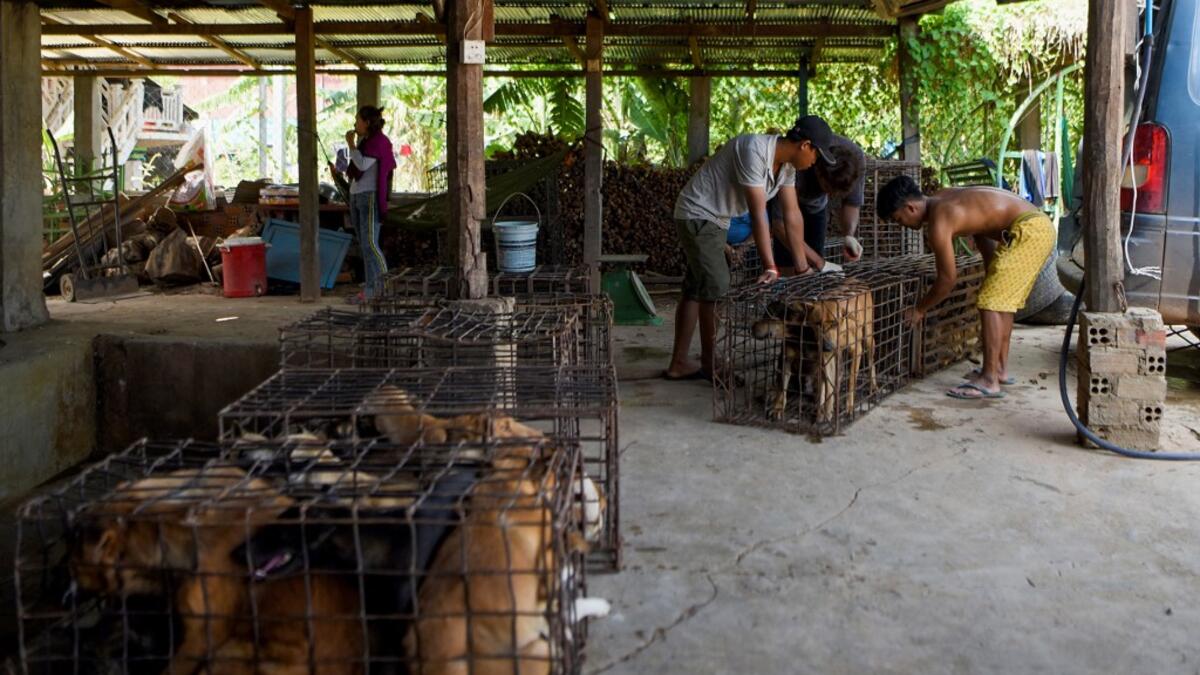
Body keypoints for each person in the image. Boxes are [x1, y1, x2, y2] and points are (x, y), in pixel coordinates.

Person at [663, 115, 843, 381]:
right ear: (805, 145)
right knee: (716, 289)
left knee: (696, 289)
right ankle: (712, 366)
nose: (815, 162)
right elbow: (760, 214)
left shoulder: (787, 168)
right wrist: (770, 266)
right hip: (699, 214)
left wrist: (802, 267)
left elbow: (792, 216)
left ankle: (679, 363)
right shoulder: (754, 150)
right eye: (817, 155)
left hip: (716, 218)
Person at [876, 175, 1055, 400]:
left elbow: (947, 280)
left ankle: (989, 380)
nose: (901, 225)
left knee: (990, 301)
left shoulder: (938, 223)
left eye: (898, 219)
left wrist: (920, 309)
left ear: (910, 207)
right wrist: (992, 269)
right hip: (1035, 225)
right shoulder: (945, 195)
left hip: (1029, 231)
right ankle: (998, 369)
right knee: (1002, 300)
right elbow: (981, 225)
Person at [770, 132, 868, 273]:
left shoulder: (857, 158)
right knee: (787, 264)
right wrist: (820, 262)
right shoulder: (797, 159)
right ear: (818, 170)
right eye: (827, 188)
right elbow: (779, 224)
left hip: (816, 208)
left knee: (814, 267)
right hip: (789, 202)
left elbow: (852, 202)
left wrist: (849, 235)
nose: (830, 195)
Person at [333, 105, 396, 302]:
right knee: (365, 245)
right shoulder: (367, 141)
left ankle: (385, 285)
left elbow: (361, 164)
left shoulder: (378, 142)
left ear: (367, 123)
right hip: (357, 194)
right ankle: (371, 289)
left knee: (370, 243)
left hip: (369, 196)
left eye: (357, 120)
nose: (354, 124)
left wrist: (351, 144)